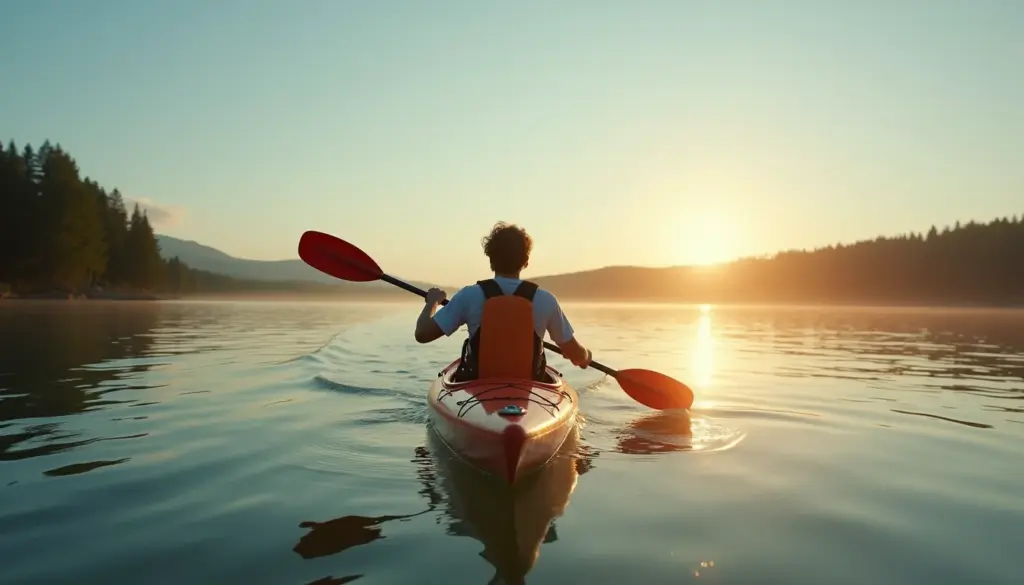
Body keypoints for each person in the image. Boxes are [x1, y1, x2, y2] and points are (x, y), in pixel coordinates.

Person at [413, 221, 592, 382]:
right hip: (529, 390)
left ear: (491, 260)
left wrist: (433, 302)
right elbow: (574, 352)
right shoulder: (545, 300)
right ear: (526, 262)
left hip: (478, 389)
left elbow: (422, 334)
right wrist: (585, 357)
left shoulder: (469, 296)